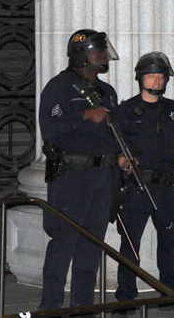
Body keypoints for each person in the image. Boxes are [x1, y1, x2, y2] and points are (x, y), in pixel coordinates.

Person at [113, 51, 174, 314]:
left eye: (161, 76)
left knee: (169, 243)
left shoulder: (172, 109)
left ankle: (171, 294)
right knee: (130, 246)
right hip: (137, 188)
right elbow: (113, 144)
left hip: (168, 187)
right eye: (152, 76)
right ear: (141, 78)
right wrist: (121, 161)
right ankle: (125, 298)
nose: (157, 81)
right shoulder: (125, 110)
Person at [39, 29, 120, 310]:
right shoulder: (59, 87)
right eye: (97, 51)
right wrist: (83, 115)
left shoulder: (106, 92)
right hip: (71, 177)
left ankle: (82, 308)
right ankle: (49, 308)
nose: (102, 55)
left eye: (103, 50)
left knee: (91, 246)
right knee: (64, 243)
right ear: (80, 55)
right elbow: (50, 130)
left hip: (100, 177)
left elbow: (114, 135)